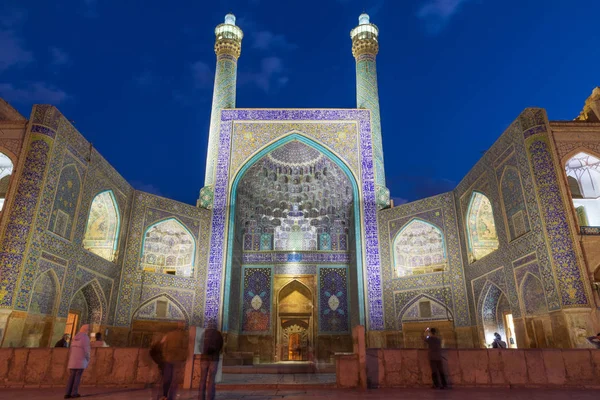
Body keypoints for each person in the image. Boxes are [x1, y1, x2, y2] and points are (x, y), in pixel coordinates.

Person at [160, 322, 188, 400]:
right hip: (178, 360)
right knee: (174, 380)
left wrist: (165, 356)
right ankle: (171, 397)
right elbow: (185, 348)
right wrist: (184, 357)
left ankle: (165, 395)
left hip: (168, 359)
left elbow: (163, 347)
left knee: (167, 378)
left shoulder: (169, 335)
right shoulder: (183, 336)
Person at [198, 324, 224, 400]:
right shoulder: (218, 334)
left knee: (202, 379)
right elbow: (220, 346)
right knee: (211, 380)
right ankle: (210, 398)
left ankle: (200, 398)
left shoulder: (204, 333)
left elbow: (200, 346)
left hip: (204, 359)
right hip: (214, 359)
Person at [64, 324, 91, 399]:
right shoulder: (85, 338)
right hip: (80, 361)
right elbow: (86, 350)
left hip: (73, 360)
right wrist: (88, 358)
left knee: (71, 377)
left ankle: (67, 393)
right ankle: (74, 393)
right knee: (77, 377)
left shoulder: (75, 337)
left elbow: (71, 350)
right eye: (88, 330)